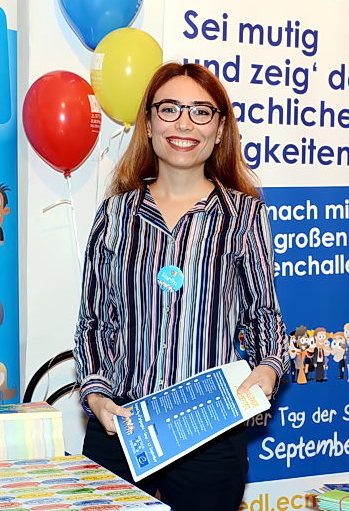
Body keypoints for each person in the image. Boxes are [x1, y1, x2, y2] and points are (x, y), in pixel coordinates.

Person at [74, 62, 289, 511]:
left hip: (209, 430)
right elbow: (94, 321)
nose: (184, 123)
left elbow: (263, 314)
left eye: (200, 111)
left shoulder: (243, 215)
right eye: (169, 109)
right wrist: (95, 394)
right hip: (121, 425)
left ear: (219, 129)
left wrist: (268, 369)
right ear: (149, 122)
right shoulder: (114, 215)